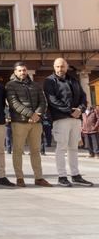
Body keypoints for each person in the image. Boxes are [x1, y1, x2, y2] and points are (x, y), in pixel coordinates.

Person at [43, 58, 93, 187]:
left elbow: (83, 96)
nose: (60, 69)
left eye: (62, 67)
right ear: (54, 67)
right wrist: (70, 111)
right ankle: (62, 176)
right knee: (61, 147)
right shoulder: (49, 81)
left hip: (75, 119)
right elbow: (52, 100)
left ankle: (76, 175)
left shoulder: (73, 80)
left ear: (67, 67)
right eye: (58, 67)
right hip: (61, 119)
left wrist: (80, 109)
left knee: (74, 148)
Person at [5, 61, 52, 187]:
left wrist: (37, 115)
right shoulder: (10, 85)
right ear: (15, 72)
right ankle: (19, 178)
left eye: (24, 70)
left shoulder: (35, 85)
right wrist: (30, 114)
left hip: (36, 122)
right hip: (19, 122)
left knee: (36, 150)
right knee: (18, 150)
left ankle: (39, 178)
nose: (22, 72)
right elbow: (14, 103)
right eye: (19, 70)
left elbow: (43, 102)